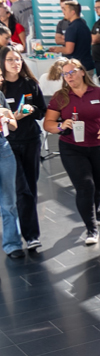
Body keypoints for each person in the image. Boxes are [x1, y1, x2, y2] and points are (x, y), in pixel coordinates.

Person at [42, 60, 100, 245]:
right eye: (65, 74)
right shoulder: (60, 97)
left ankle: (95, 210)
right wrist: (61, 126)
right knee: (85, 187)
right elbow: (48, 124)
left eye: (72, 72)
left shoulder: (99, 93)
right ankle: (91, 228)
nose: (69, 77)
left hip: (99, 146)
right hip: (72, 148)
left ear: (82, 72)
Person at [2, 47, 45, 251]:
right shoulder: (1, 88)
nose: (15, 63)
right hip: (8, 145)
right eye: (10, 60)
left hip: (31, 140)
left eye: (18, 59)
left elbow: (41, 111)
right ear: (2, 63)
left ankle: (31, 235)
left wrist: (30, 110)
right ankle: (28, 235)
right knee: (21, 189)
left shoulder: (30, 84)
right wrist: (13, 118)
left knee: (31, 188)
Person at [48, 0, 93, 74]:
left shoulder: (72, 28)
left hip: (78, 68)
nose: (63, 12)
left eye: (65, 10)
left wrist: (57, 49)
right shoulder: (84, 25)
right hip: (87, 65)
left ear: (73, 12)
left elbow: (69, 50)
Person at [0, 108, 21, 260]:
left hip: (3, 148)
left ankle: (12, 244)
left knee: (9, 201)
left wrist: (6, 119)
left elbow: (14, 125)